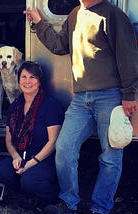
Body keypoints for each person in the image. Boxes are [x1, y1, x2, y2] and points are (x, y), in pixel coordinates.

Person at [24, 0, 138, 213]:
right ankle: (68, 202)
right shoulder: (76, 14)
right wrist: (39, 23)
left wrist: (130, 94)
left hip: (110, 96)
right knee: (64, 148)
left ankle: (100, 209)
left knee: (111, 157)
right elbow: (59, 45)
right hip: (81, 99)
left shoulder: (113, 16)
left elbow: (128, 57)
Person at [0, 61, 64, 211]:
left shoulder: (50, 105)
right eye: (23, 77)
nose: (27, 81)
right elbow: (9, 139)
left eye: (32, 77)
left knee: (29, 180)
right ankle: (28, 195)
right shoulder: (15, 106)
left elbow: (53, 141)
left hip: (45, 158)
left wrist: (31, 163)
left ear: (39, 81)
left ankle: (53, 198)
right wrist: (15, 157)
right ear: (18, 81)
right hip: (22, 155)